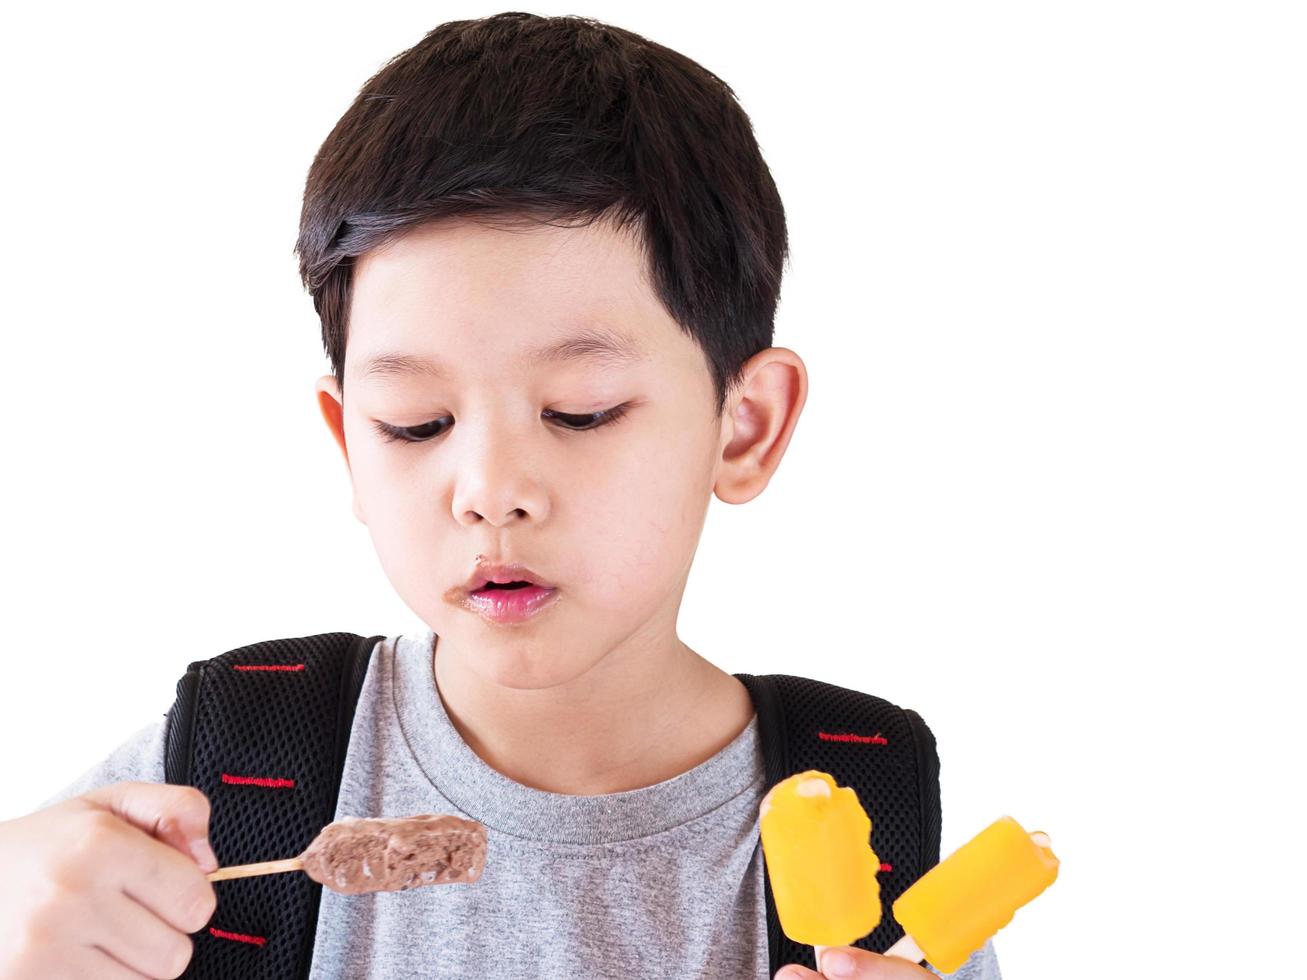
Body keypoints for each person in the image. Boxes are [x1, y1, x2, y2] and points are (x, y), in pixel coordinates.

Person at [0, 12, 999, 980]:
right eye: (416, 421)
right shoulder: (231, 771)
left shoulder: (873, 830)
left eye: (579, 411)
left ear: (743, 426)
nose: (488, 493)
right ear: (348, 440)